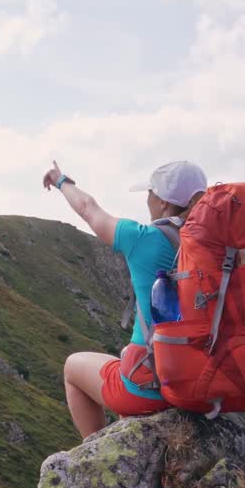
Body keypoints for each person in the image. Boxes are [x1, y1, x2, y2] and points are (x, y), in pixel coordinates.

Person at [42, 159, 208, 438]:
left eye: (151, 193)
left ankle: (96, 454)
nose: (148, 199)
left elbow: (88, 209)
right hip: (202, 385)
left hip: (152, 390)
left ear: (164, 203)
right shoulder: (214, 249)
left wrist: (61, 181)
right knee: (124, 360)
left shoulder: (144, 238)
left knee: (73, 366)